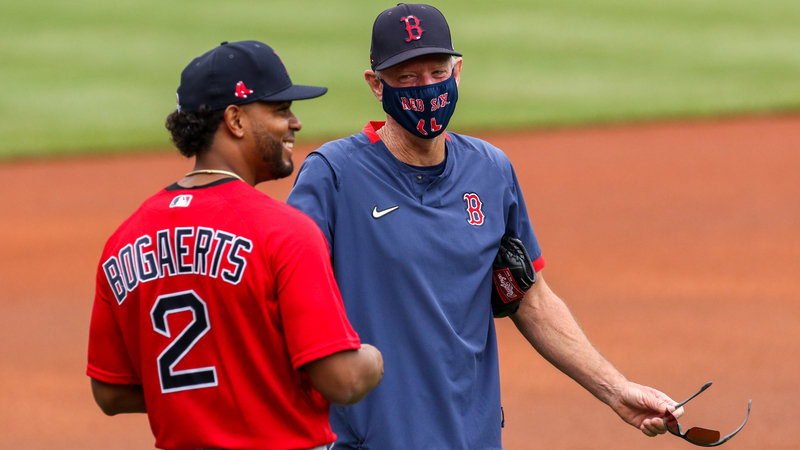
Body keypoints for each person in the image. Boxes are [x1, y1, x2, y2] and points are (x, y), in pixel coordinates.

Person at [287, 5, 680, 449]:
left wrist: (615, 389)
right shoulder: (334, 175)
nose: (426, 89)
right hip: (372, 439)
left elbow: (529, 298)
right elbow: (284, 297)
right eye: (407, 79)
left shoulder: (490, 171)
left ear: (458, 72)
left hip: (472, 437)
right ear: (376, 85)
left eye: (436, 72)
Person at [87, 40, 384, 450]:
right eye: (280, 111)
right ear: (235, 119)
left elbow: (111, 392)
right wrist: (375, 358)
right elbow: (344, 381)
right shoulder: (284, 232)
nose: (295, 123)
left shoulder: (124, 239)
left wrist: (209, 395)